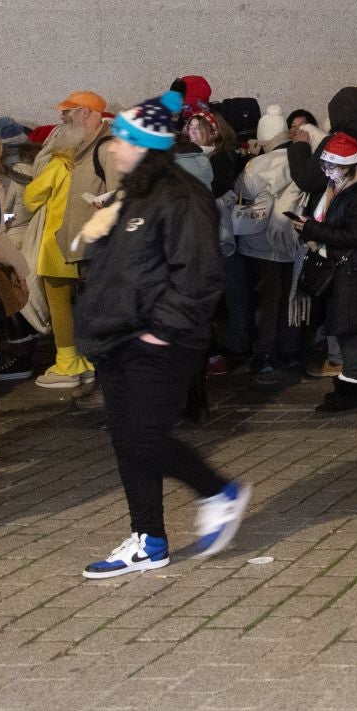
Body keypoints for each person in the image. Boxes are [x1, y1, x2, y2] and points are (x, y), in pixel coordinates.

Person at [75, 90, 248, 578]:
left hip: (156, 342)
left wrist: (162, 330)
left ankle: (219, 492)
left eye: (124, 141)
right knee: (128, 443)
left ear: (146, 145)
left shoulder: (181, 198)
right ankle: (148, 539)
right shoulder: (136, 192)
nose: (114, 148)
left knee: (145, 439)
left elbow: (198, 274)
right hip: (117, 340)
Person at [23, 90, 120, 388]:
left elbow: (31, 197)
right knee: (87, 309)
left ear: (87, 113)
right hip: (83, 246)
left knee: (67, 308)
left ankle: (71, 363)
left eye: (69, 111)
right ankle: (92, 363)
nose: (62, 117)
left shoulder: (93, 152)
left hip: (74, 246)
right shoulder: (88, 149)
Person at [296, 132, 357, 414]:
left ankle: (352, 388)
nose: (328, 172)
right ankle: (353, 382)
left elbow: (353, 234)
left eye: (333, 167)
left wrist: (311, 229)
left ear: (350, 167)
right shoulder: (339, 188)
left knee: (349, 330)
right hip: (345, 268)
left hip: (355, 270)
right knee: (344, 328)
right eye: (325, 166)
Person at [230, 107, 313, 383]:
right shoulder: (301, 159)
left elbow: (241, 193)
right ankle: (291, 351)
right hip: (292, 241)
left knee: (267, 301)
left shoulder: (256, 165)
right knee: (292, 297)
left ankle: (264, 353)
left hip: (259, 244)